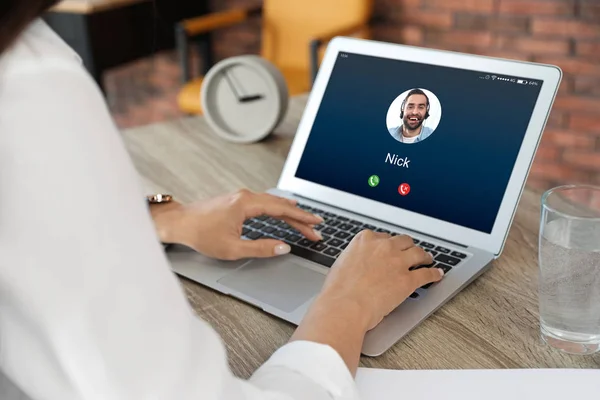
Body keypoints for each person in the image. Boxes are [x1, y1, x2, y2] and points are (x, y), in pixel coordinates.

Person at [0, 2, 444, 399]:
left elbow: (43, 215)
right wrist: (348, 303)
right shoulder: (30, 87)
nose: (414, 113)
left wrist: (166, 215)